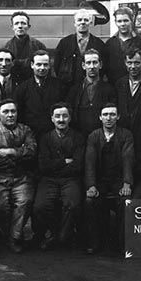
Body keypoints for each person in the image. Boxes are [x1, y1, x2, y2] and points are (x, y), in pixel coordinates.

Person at [0, 98, 37, 253]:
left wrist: (11, 152)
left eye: (13, 111)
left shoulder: (26, 130)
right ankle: (4, 233)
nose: (10, 115)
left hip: (21, 177)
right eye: (6, 112)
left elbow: (32, 153)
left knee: (25, 201)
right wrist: (20, 155)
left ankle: (14, 237)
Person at [33, 102, 85, 250]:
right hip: (49, 180)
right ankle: (59, 234)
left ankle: (60, 237)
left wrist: (55, 166)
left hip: (71, 179)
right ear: (52, 119)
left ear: (70, 118)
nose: (61, 119)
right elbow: (43, 166)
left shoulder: (78, 138)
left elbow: (78, 165)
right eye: (57, 116)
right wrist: (64, 161)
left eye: (64, 116)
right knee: (40, 207)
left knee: (73, 204)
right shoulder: (46, 138)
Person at [85, 103, 134, 254]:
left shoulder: (126, 135)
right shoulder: (94, 136)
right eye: (105, 114)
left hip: (118, 178)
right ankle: (95, 243)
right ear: (100, 117)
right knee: (91, 202)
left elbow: (128, 159)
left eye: (112, 114)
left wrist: (126, 183)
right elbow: (90, 161)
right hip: (101, 179)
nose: (109, 118)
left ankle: (121, 244)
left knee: (124, 202)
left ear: (118, 116)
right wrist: (91, 185)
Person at [14, 50, 66, 140]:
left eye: (45, 64)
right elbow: (20, 115)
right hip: (31, 135)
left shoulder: (60, 86)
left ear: (49, 66)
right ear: (32, 65)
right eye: (38, 64)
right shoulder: (22, 88)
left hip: (53, 134)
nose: (42, 68)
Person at [65, 48, 116, 137]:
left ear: (100, 65)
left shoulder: (109, 90)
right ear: (83, 66)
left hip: (101, 136)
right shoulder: (74, 90)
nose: (92, 67)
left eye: (95, 62)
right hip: (79, 136)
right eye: (88, 63)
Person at [54, 9, 105, 86]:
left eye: (86, 20)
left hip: (91, 87)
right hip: (68, 88)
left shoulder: (99, 44)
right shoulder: (64, 43)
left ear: (90, 23)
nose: (82, 22)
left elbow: (103, 68)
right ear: (74, 23)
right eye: (79, 20)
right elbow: (57, 66)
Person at [115, 48, 141, 133]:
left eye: (137, 63)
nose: (133, 67)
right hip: (124, 132)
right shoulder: (119, 84)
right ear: (125, 63)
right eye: (129, 63)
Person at [104, 7, 141, 85]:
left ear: (131, 21)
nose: (122, 24)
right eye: (119, 21)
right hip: (114, 85)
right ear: (115, 22)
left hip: (136, 85)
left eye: (126, 21)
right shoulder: (110, 43)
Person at [4, 11, 46, 84]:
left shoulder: (38, 46)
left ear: (28, 26)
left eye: (23, 23)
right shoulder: (6, 48)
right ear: (12, 27)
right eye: (16, 23)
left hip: (33, 85)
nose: (20, 26)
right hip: (13, 85)